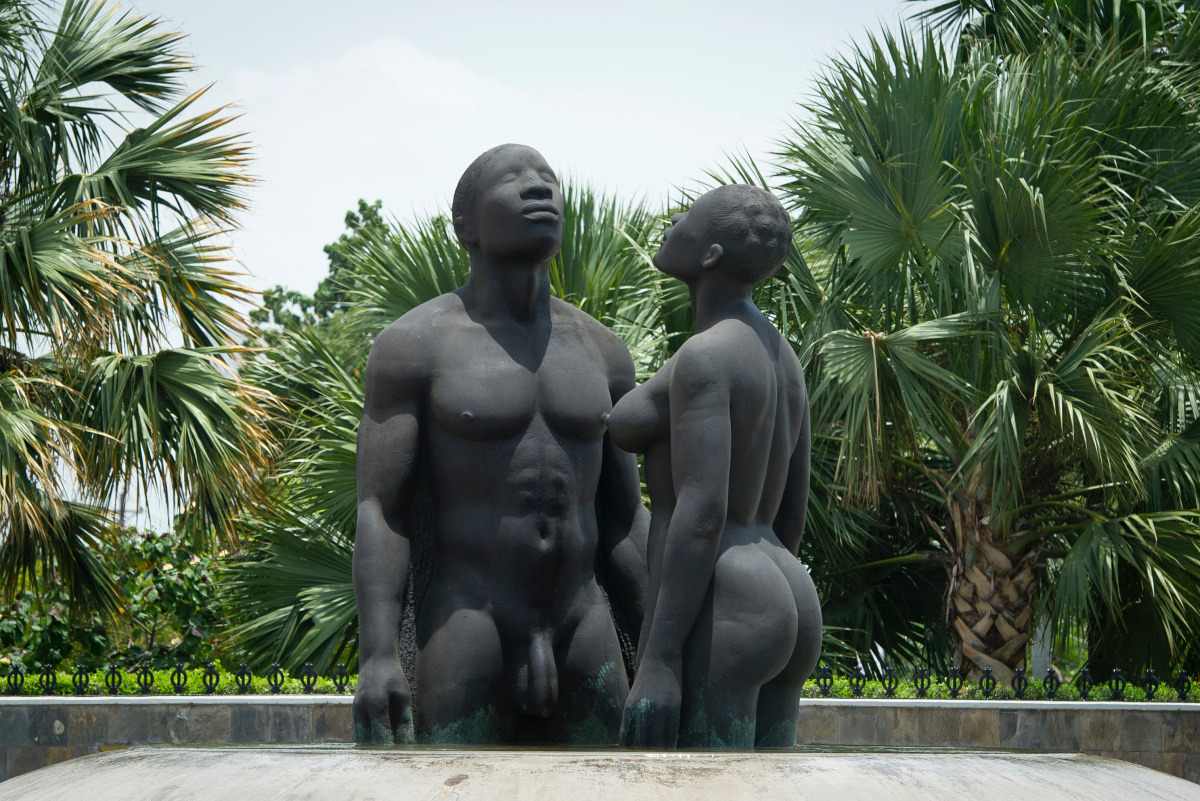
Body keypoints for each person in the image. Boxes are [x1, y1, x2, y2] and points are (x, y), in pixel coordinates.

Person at [353, 144, 648, 745]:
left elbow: (624, 519)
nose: (538, 187)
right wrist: (378, 655)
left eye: (547, 178)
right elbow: (381, 510)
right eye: (512, 178)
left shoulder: (602, 351)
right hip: (468, 621)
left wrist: (664, 650)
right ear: (464, 224)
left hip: (583, 620)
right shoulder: (414, 344)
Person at [609, 185, 821, 749]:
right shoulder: (784, 358)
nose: (673, 219)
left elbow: (703, 509)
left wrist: (658, 658)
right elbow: (793, 510)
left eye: (687, 218)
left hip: (726, 594)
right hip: (788, 588)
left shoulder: (706, 357)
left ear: (708, 257)